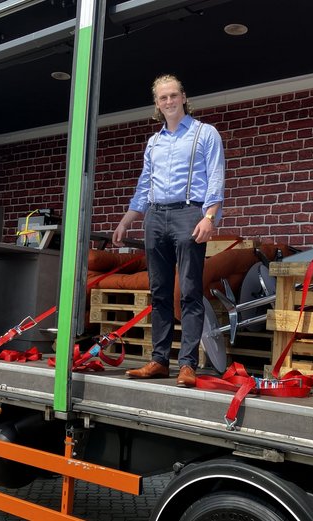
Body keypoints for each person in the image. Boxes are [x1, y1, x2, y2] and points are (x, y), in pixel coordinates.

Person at [112, 74, 225, 387]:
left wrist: (210, 216)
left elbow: (216, 177)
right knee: (159, 291)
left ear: (184, 97)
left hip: (190, 213)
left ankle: (187, 364)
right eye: (163, 98)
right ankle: (159, 361)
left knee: (189, 291)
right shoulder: (154, 142)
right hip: (156, 217)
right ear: (157, 104)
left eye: (173, 95)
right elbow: (144, 185)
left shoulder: (206, 133)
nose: (169, 101)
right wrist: (127, 220)